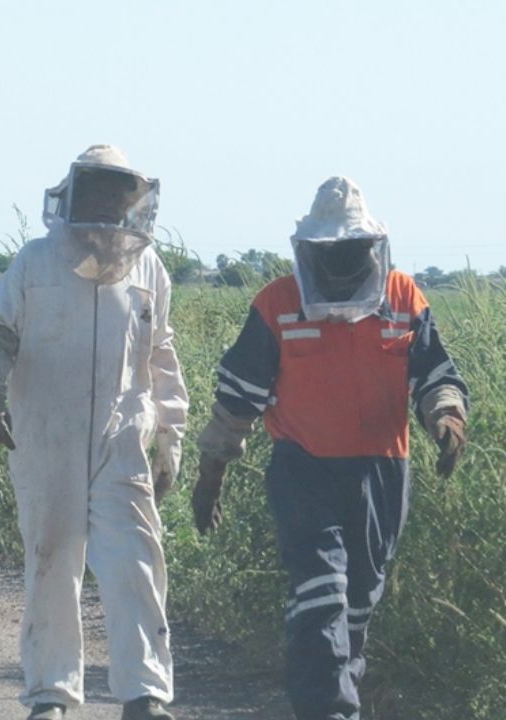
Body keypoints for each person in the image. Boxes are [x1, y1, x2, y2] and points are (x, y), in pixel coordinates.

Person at [191, 177, 469, 720]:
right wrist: (210, 477)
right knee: (322, 592)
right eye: (332, 252)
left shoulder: (403, 297)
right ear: (311, 250)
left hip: (382, 471)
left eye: (352, 251)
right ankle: (329, 709)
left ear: (372, 249)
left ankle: (336, 695)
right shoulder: (278, 303)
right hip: (304, 467)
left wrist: (447, 417)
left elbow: (436, 374)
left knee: (357, 601)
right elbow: (236, 402)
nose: (342, 263)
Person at [0, 145, 188, 720]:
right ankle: (51, 694)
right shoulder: (35, 260)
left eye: (118, 194)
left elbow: (160, 352)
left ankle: (144, 695)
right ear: (75, 194)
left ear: (130, 202)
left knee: (135, 562)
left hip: (123, 437)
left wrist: (171, 434)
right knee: (53, 560)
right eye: (97, 191)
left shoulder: (148, 267)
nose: (108, 204)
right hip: (46, 435)